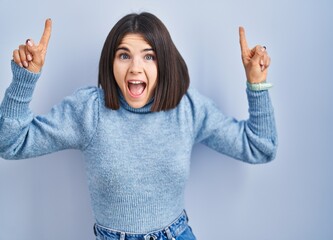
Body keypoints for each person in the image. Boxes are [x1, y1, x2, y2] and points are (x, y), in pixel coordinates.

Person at [0, 12, 277, 240]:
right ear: (111, 62)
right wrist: (25, 78)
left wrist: (257, 84)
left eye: (149, 56)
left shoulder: (188, 109)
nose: (135, 68)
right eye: (124, 55)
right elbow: (10, 143)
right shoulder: (88, 111)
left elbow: (260, 147)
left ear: (164, 62)